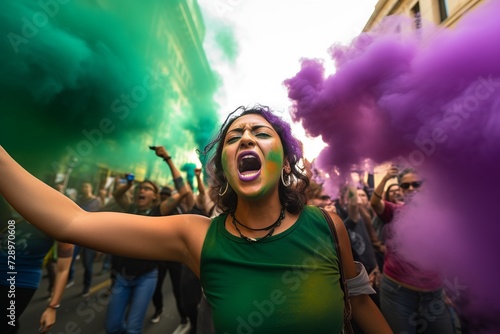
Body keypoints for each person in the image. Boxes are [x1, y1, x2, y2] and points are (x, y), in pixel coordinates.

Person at [0, 106, 391, 333]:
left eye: (260, 132)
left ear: (286, 161)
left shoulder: (325, 226)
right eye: (233, 137)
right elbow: (69, 222)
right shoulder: (196, 236)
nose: (246, 139)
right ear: (223, 164)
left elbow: (360, 307)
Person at [109, 145, 191, 334]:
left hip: (146, 276)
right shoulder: (130, 207)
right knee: (112, 327)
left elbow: (184, 190)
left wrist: (167, 158)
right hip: (123, 276)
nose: (142, 190)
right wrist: (128, 184)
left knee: (133, 329)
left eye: (147, 188)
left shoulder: (158, 211)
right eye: (140, 188)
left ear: (155, 196)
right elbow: (116, 194)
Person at [370, 166, 455, 333]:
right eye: (405, 185)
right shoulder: (395, 211)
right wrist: (386, 178)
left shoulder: (442, 215)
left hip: (433, 294)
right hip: (397, 293)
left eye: (416, 184)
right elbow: (374, 202)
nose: (410, 189)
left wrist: (447, 288)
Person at [0, 198, 74, 334]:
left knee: (5, 324)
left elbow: (63, 270)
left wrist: (52, 307)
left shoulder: (55, 225)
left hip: (20, 284)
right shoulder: (11, 214)